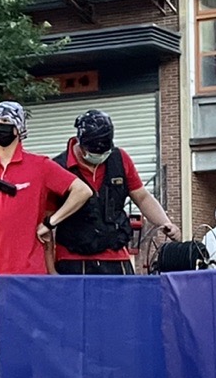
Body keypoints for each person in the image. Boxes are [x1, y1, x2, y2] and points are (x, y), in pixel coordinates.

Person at [0, 100, 90, 378]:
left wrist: (51, 222)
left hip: (30, 270)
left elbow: (81, 191)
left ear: (19, 128)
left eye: (5, 123)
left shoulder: (40, 166)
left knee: (34, 335)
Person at [52, 109, 179, 273]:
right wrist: (50, 267)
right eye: (94, 151)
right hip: (72, 258)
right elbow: (48, 219)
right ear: (81, 143)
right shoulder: (57, 167)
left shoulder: (120, 159)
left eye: (104, 151)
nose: (99, 155)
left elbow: (142, 197)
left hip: (116, 255)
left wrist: (165, 223)